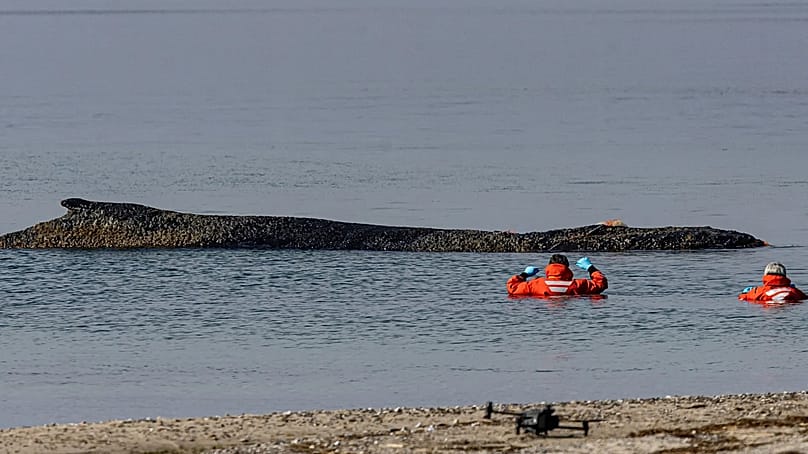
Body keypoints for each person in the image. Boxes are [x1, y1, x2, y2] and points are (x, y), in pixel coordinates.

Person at [507, 253, 607, 297]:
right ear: (567, 268)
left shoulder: (536, 284)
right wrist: (590, 268)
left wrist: (524, 274)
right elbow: (601, 284)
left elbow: (512, 288)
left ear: (549, 267)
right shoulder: (578, 285)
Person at [738, 262, 807, 303]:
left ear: (765, 274)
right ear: (784, 274)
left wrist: (744, 293)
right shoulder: (795, 292)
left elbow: (742, 298)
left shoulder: (757, 292)